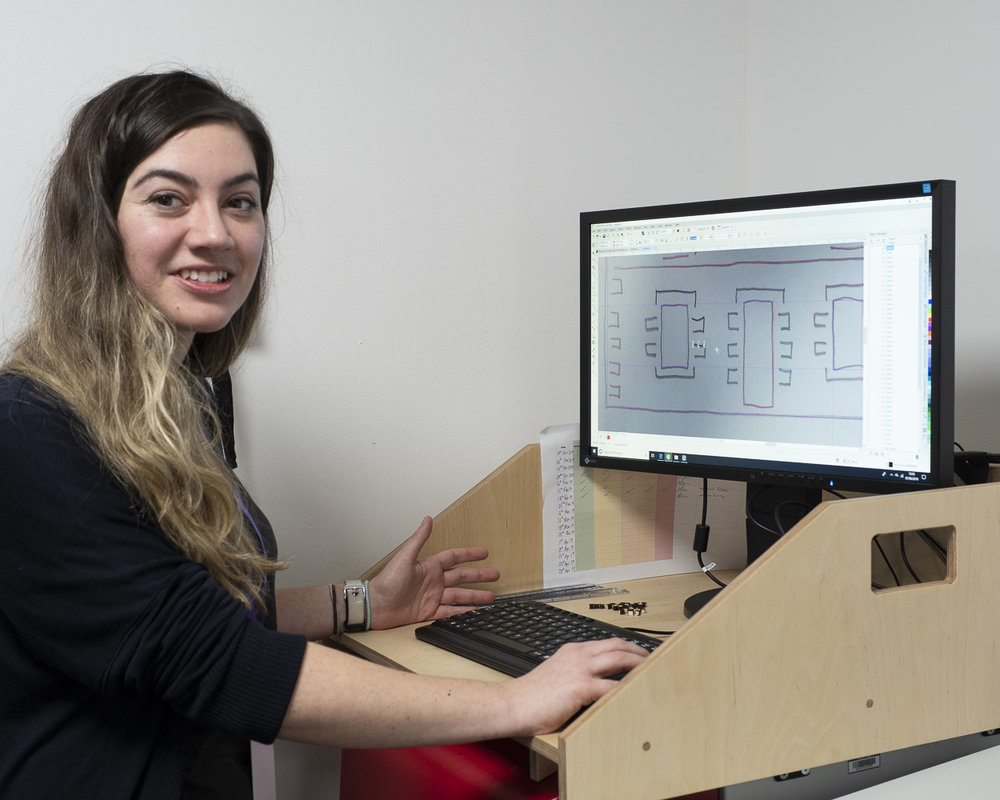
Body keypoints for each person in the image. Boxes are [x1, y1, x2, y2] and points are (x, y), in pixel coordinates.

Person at [0, 70, 648, 799]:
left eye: (240, 202)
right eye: (168, 199)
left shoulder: (175, 399)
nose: (214, 233)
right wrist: (519, 700)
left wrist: (364, 602)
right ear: (96, 223)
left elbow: (184, 607)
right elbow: (216, 662)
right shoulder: (31, 426)